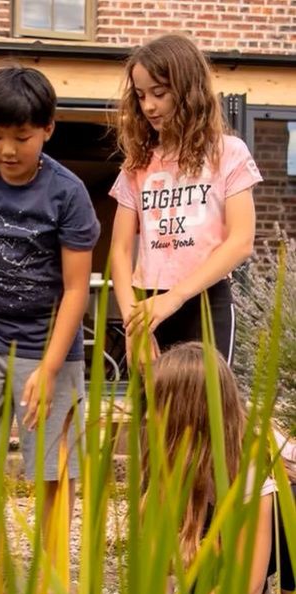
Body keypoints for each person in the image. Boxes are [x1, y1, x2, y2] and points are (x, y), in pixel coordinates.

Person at [0, 64, 100, 536]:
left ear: (48, 129)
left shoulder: (68, 193)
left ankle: (49, 578)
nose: (7, 150)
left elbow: (77, 288)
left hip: (50, 352)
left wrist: (49, 369)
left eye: (22, 137)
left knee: (54, 470)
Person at [109, 342, 295, 594]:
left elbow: (245, 588)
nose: (148, 414)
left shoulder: (254, 458)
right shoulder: (181, 452)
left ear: (186, 413)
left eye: (157, 404)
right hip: (243, 516)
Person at [109, 33, 263, 367]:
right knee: (152, 415)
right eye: (140, 95)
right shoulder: (137, 164)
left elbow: (241, 241)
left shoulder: (229, 153)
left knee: (206, 413)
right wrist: (132, 323)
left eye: (159, 93)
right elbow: (119, 251)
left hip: (206, 303)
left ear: (188, 90)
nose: (148, 105)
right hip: (147, 307)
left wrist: (175, 298)